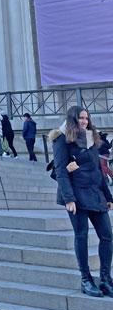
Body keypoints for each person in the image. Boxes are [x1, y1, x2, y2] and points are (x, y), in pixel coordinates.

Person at [50, 106, 113, 297]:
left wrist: (108, 197)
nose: (84, 121)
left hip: (95, 193)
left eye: (86, 118)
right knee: (82, 236)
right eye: (80, 118)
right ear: (72, 119)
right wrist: (69, 198)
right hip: (76, 195)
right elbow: (61, 170)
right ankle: (86, 279)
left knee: (107, 236)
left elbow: (98, 170)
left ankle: (105, 279)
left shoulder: (92, 138)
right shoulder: (61, 139)